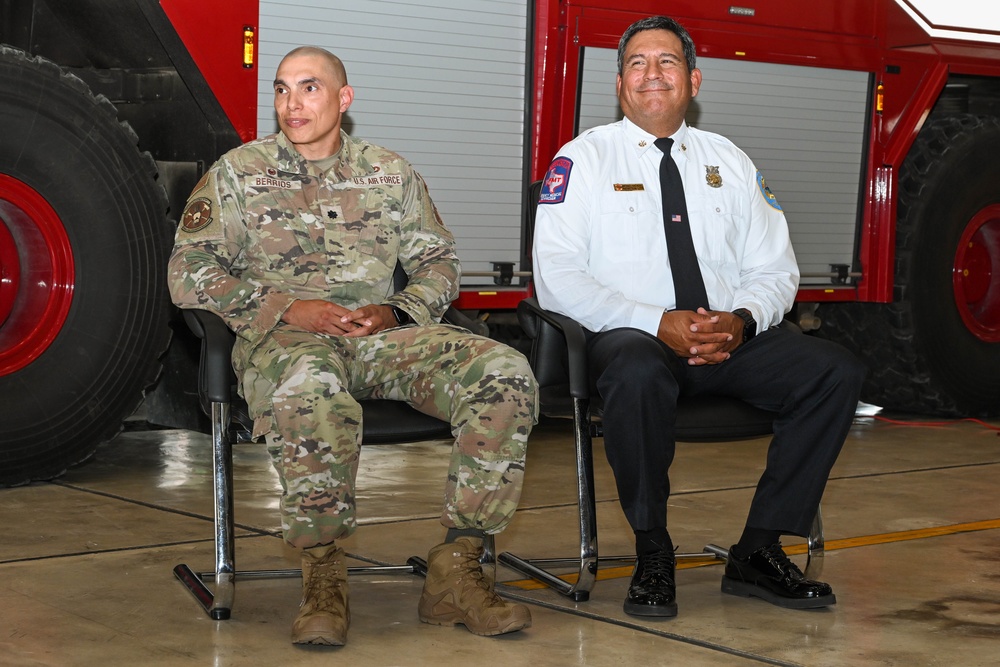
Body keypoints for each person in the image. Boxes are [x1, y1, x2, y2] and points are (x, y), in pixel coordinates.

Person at [168, 46, 537, 645]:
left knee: (504, 370)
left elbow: (439, 262)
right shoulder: (238, 173)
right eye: (282, 89)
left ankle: (458, 568)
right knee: (312, 392)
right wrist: (288, 307)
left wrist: (396, 309)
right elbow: (188, 272)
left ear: (344, 99)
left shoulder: (389, 172)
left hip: (380, 339)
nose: (293, 103)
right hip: (287, 342)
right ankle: (323, 573)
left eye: (310, 88)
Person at [532, 16, 866, 618]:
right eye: (637, 63)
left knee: (833, 371)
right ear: (619, 84)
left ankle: (759, 551)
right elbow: (557, 277)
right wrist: (657, 320)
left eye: (666, 61)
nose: (651, 74)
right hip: (637, 341)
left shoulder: (729, 161)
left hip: (726, 338)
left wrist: (741, 320)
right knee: (634, 371)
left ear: (693, 79)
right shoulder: (582, 161)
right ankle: (652, 551)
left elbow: (776, 269)